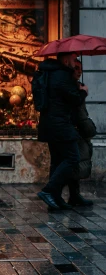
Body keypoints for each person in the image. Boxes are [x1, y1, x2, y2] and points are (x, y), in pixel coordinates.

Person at [36, 52, 88, 211]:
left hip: (50, 124)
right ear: (66, 60)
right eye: (73, 59)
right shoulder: (62, 76)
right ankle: (49, 190)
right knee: (73, 158)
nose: (75, 63)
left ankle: (56, 198)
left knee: (57, 161)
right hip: (60, 125)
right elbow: (75, 99)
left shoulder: (51, 74)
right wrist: (83, 91)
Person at [63, 59, 96, 207]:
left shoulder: (77, 86)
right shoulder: (69, 87)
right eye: (76, 68)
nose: (79, 71)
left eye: (80, 69)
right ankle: (57, 193)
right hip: (72, 129)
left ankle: (74, 195)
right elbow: (76, 107)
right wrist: (82, 93)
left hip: (78, 130)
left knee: (78, 161)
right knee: (71, 162)